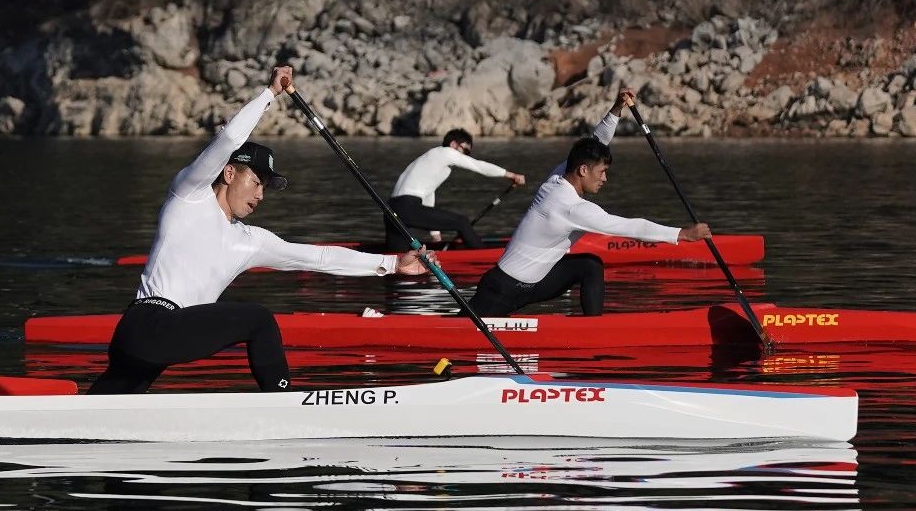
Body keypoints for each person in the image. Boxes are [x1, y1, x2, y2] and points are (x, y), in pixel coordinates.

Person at [88, 65, 433, 395]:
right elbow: (229, 139)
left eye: (265, 188)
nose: (260, 195)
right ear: (228, 174)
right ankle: (282, 403)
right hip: (148, 323)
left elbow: (318, 258)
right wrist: (269, 93)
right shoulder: (189, 195)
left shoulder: (250, 241)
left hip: (158, 337)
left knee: (106, 409)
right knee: (259, 319)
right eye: (256, 182)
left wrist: (391, 264)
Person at [467, 89, 709, 318]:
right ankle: (593, 332)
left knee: (589, 265)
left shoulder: (558, 176)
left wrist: (617, 109)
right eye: (602, 172)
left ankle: (593, 326)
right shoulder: (571, 207)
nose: (605, 179)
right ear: (583, 170)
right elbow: (631, 227)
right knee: (461, 333)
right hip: (501, 289)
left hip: (534, 283)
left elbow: (596, 141)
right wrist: (682, 234)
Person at [384, 128, 525, 250]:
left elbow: (428, 194)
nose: (465, 155)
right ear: (453, 144)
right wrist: (511, 175)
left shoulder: (430, 159)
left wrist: (435, 235)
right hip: (407, 207)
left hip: (390, 210)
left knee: (397, 257)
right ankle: (483, 255)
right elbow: (479, 166)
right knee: (461, 222)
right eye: (465, 150)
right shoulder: (446, 153)